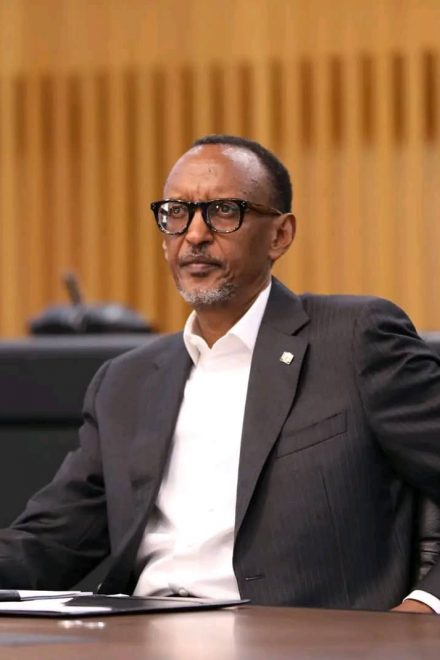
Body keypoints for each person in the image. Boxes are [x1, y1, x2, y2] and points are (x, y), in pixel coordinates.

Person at [1, 134, 440, 613]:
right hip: (139, 631)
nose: (194, 234)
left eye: (223, 211)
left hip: (295, 635)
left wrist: (424, 608)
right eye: (176, 213)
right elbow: (51, 541)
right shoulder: (126, 382)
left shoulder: (354, 340)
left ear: (280, 235)